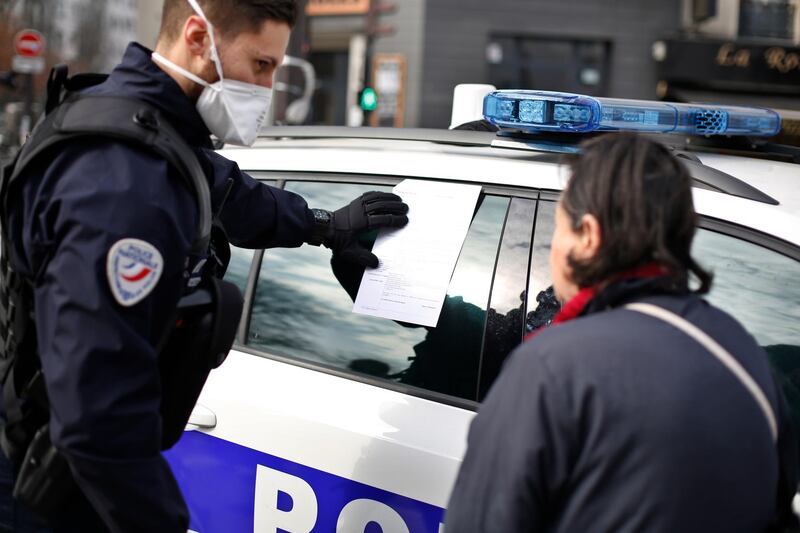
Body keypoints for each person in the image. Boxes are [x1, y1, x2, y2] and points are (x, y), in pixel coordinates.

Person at [0, 0, 408, 531]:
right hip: (52, 489)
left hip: (71, 472)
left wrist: (325, 226)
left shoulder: (141, 125)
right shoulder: (121, 187)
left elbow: (228, 190)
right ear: (198, 36)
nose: (266, 88)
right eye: (260, 65)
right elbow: (97, 417)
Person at [445, 133, 798, 532]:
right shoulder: (745, 354)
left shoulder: (553, 365)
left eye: (558, 228)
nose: (552, 248)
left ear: (589, 236)